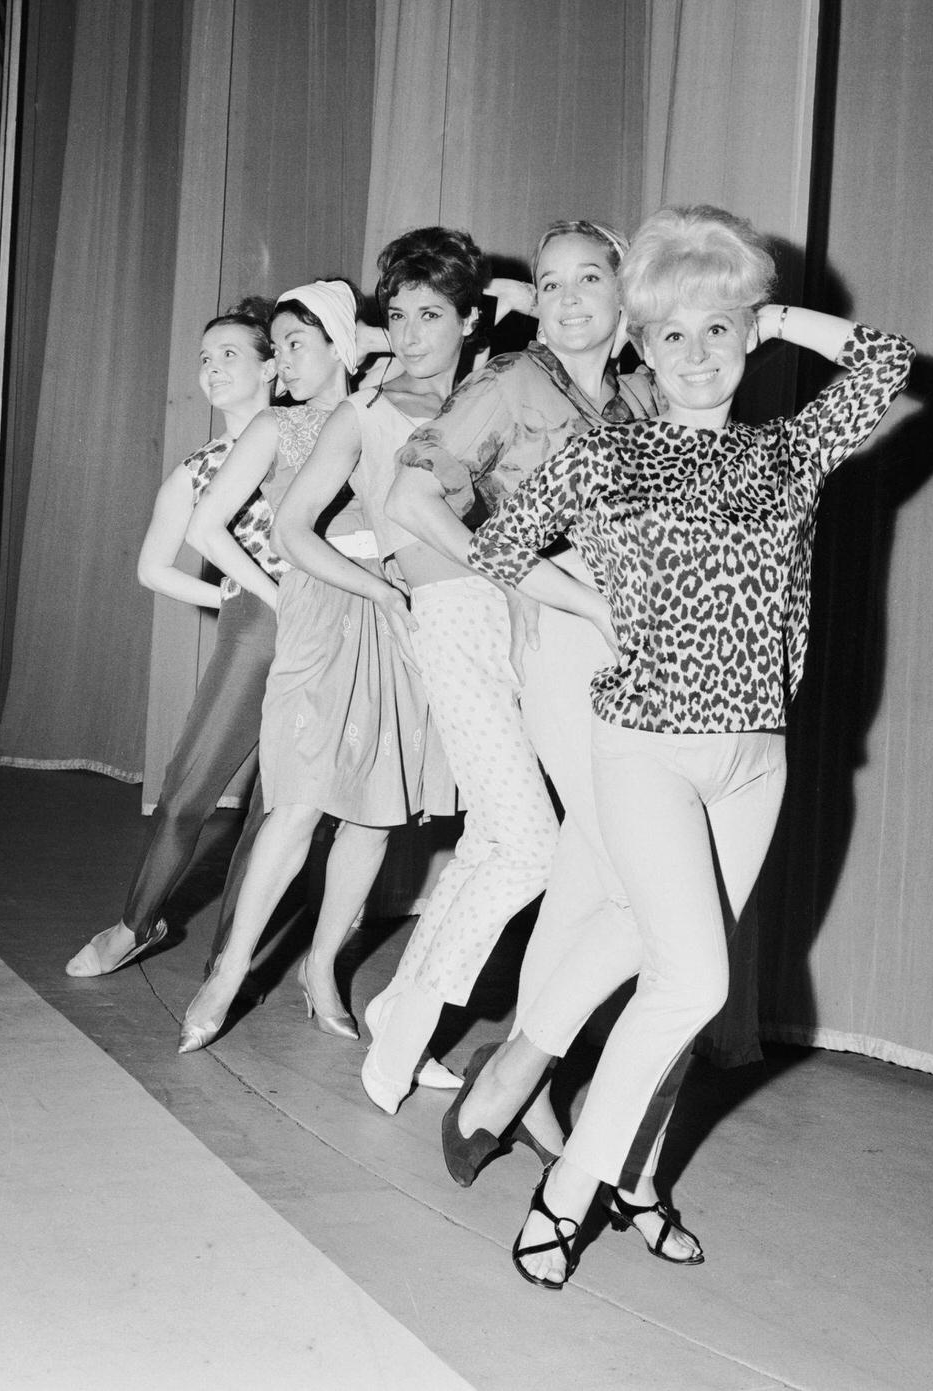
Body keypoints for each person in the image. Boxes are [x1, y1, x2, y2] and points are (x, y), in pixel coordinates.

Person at [461, 204, 914, 1288]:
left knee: (672, 975)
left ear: (748, 334)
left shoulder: (787, 450)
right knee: (690, 982)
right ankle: (567, 1188)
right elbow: (496, 544)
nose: (700, 353)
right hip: (647, 748)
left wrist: (765, 307)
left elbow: (888, 360)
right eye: (672, 333)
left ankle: (641, 1174)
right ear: (639, 344)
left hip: (755, 756)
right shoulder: (604, 454)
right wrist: (599, 606)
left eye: (720, 329)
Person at [375, 220, 658, 1123]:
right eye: (551, 283)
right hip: (509, 626)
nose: (568, 300)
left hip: (595, 645)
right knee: (547, 845)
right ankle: (427, 1032)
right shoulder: (511, 382)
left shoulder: (638, 396)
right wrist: (504, 567)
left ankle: (446, 1021)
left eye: (589, 280)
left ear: (625, 293)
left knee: (554, 844)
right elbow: (411, 498)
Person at [181, 278, 431, 1052]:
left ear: (338, 342)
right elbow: (207, 524)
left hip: (397, 614)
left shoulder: (384, 408)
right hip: (319, 610)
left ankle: (321, 967)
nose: (283, 358)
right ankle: (226, 974)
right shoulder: (278, 428)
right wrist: (278, 592)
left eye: (297, 341)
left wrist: (366, 341)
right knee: (295, 806)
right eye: (277, 344)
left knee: (374, 812)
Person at [271, 226, 491, 1107]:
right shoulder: (364, 410)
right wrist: (385, 592)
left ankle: (410, 1020)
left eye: (431, 314)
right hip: (424, 630)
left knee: (499, 844)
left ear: (470, 321)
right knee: (501, 843)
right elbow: (293, 527)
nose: (406, 333)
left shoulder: (495, 395)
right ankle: (407, 1023)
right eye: (394, 315)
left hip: (504, 630)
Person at [64, 298, 280, 980]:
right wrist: (229, 595)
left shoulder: (319, 434)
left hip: (333, 632)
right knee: (187, 795)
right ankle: (137, 922)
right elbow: (152, 568)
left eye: (230, 354)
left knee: (284, 810)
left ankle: (229, 958)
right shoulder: (198, 467)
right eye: (205, 358)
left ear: (272, 365)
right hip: (260, 629)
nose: (212, 368)